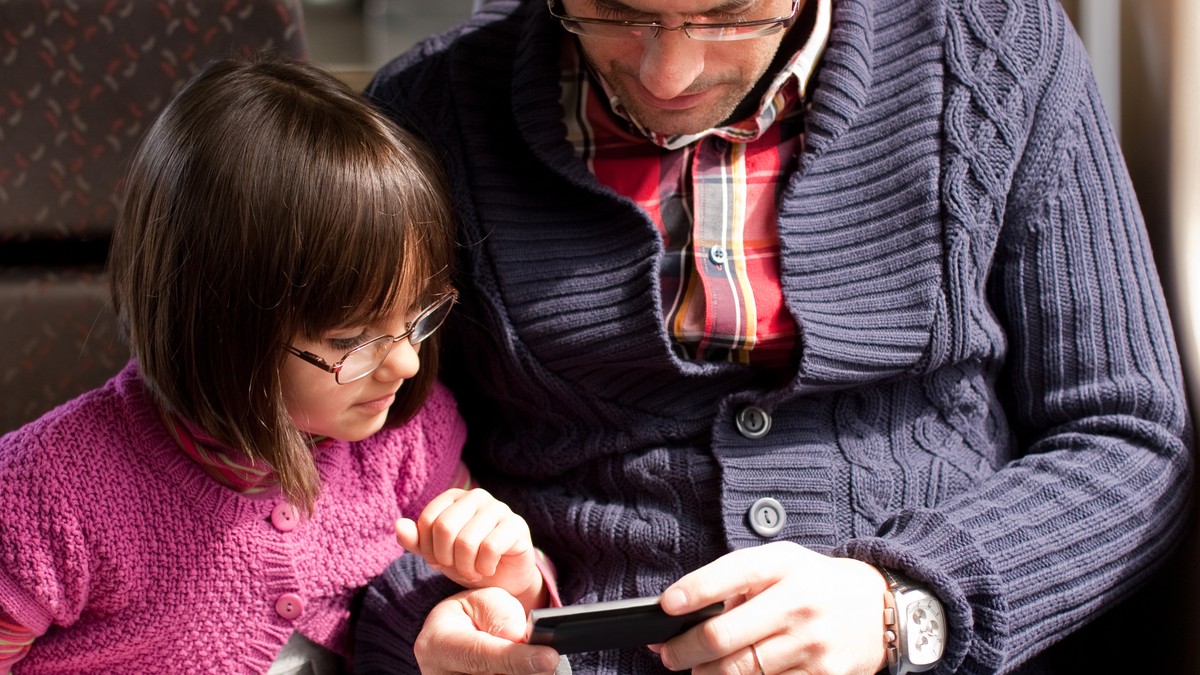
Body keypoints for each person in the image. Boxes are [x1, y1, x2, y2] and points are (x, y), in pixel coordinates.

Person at [354, 0, 1195, 672]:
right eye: (613, 12)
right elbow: (327, 466)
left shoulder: (997, 48)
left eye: (728, 15)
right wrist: (422, 630)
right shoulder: (429, 116)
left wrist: (905, 606)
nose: (668, 70)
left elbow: (1130, 435)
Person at [0, 55, 550, 673]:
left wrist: (515, 581)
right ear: (218, 325)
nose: (404, 361)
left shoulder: (404, 444)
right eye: (351, 339)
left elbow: (487, 607)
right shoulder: (48, 496)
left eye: (420, 316)